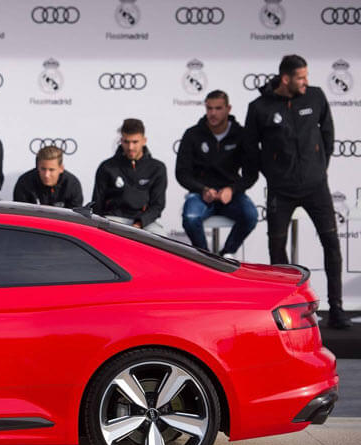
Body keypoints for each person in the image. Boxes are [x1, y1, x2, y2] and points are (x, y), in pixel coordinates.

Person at [244, 54, 349, 329]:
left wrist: (318, 168)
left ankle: (337, 309)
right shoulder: (259, 107)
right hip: (281, 190)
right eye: (301, 77)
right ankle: (289, 311)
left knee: (332, 245)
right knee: (277, 250)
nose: (306, 82)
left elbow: (327, 134)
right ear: (286, 78)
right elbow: (250, 147)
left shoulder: (315, 97)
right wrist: (272, 173)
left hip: (316, 187)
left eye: (307, 76)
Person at [177, 90, 259, 258]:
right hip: (201, 194)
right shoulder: (192, 134)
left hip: (231, 195)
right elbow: (182, 173)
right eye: (209, 108)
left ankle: (226, 254)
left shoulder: (241, 135)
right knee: (190, 217)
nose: (213, 113)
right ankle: (206, 259)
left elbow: (251, 173)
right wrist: (202, 189)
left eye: (218, 108)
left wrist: (232, 189)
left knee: (250, 215)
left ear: (228, 109)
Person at [91, 118, 166, 232]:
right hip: (112, 220)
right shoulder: (107, 167)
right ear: (121, 140)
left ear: (144, 140)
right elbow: (97, 203)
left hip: (144, 222)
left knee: (161, 237)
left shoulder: (157, 168)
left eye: (135, 142)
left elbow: (157, 205)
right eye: (126, 142)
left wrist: (140, 222)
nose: (130, 147)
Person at [13, 145, 83, 208]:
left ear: (61, 168)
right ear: (37, 166)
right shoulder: (25, 182)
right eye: (43, 169)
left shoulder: (72, 185)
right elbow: (20, 215)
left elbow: (74, 217)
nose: (46, 175)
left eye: (51, 170)